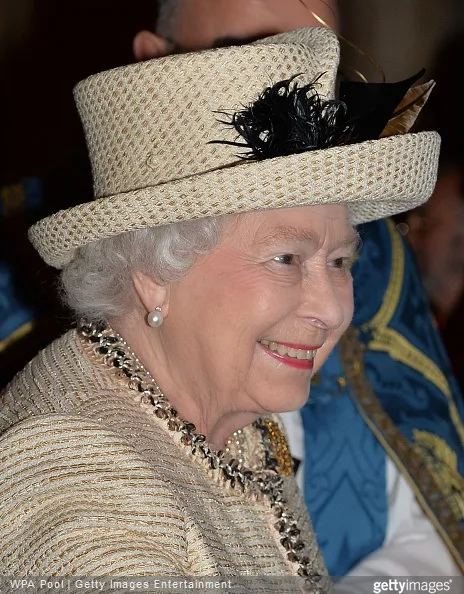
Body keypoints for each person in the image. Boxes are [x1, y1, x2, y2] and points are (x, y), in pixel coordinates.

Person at [0, 26, 440, 587]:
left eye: (340, 263)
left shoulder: (222, 424)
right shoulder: (78, 488)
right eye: (285, 258)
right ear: (154, 273)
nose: (332, 311)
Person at [132, 0, 464, 580]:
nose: (331, 307)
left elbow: (432, 524)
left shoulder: (376, 257)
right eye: (245, 58)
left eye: (313, 68)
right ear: (152, 63)